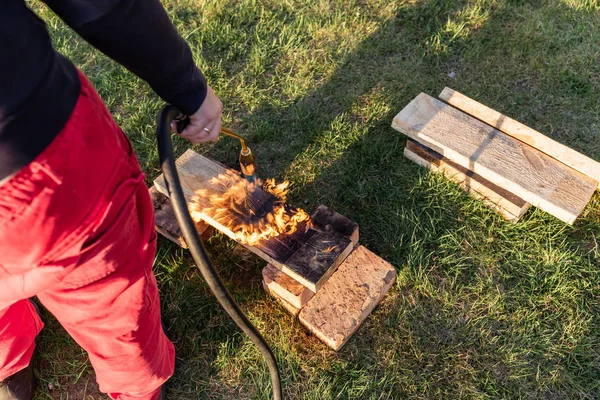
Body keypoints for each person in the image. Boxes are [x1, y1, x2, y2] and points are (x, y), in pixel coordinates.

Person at [0, 0, 222, 399]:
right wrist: (187, 86)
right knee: (107, 297)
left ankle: (8, 366)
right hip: (37, 163)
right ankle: (137, 389)